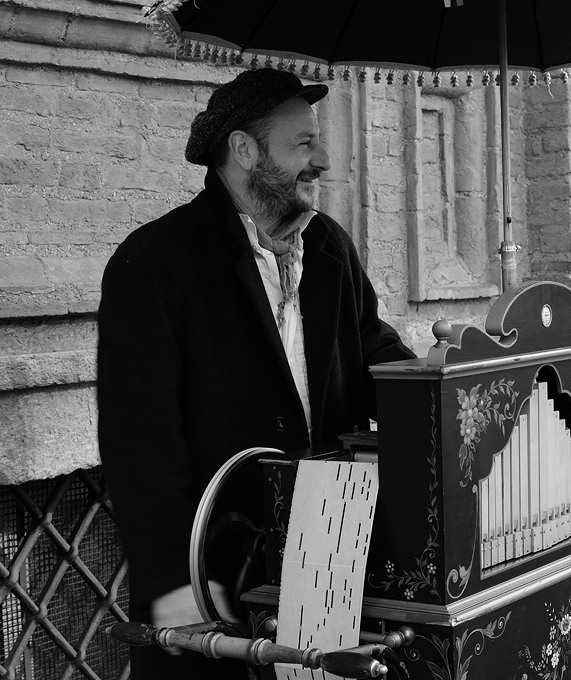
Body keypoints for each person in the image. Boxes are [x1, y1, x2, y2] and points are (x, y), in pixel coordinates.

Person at [97, 68, 416, 680]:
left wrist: (439, 385)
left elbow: (370, 343)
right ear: (244, 150)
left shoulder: (329, 246)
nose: (322, 160)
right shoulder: (155, 262)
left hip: (327, 553)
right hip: (215, 578)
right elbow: (140, 450)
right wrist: (181, 594)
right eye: (303, 144)